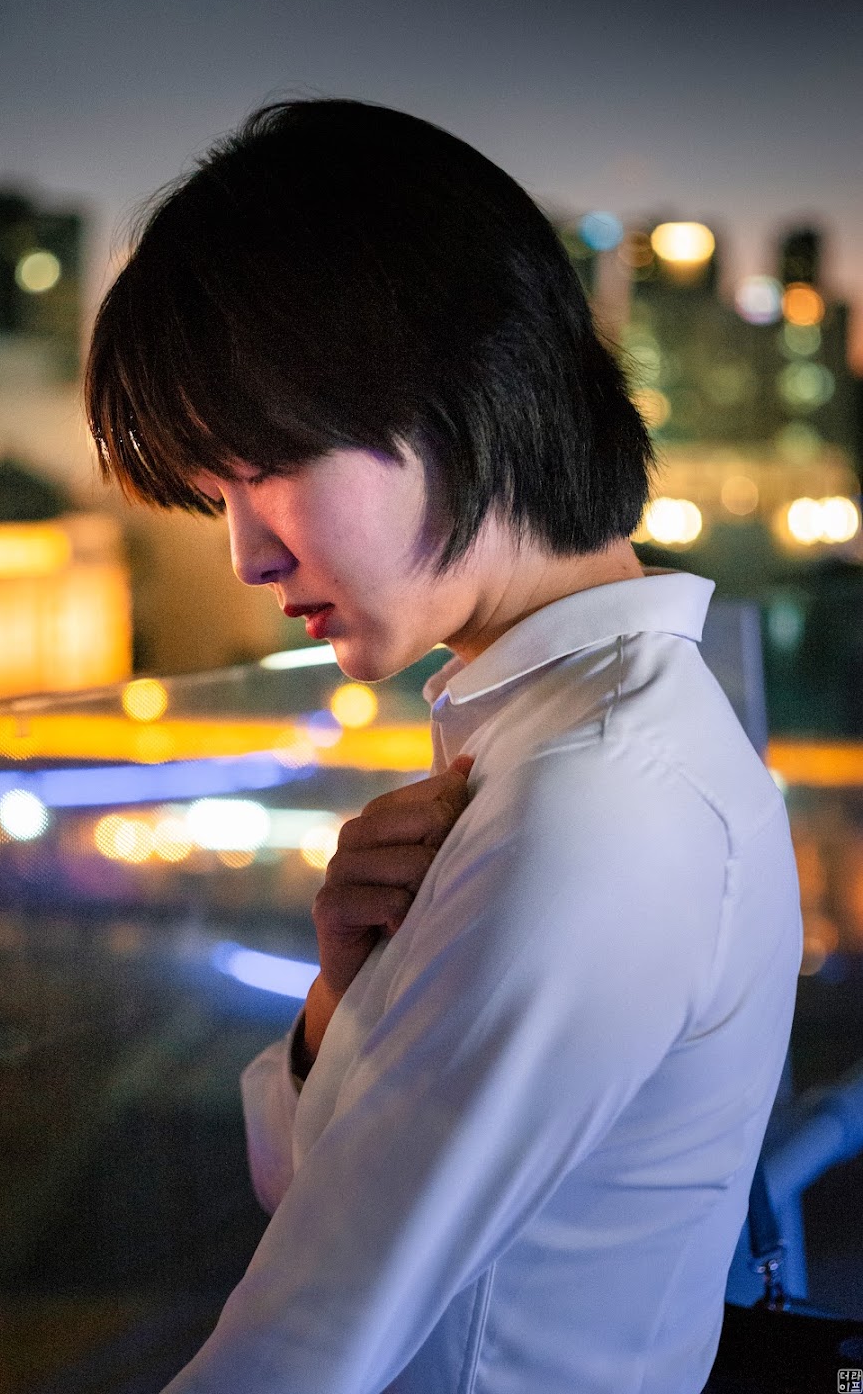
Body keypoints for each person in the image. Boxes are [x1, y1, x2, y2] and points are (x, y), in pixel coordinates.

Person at [84, 97, 803, 1394]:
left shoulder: (598, 800)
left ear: (457, 394)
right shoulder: (569, 736)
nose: (246, 555)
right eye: (215, 494)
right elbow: (323, 1194)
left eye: (269, 463)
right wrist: (344, 1001)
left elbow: (304, 1347)